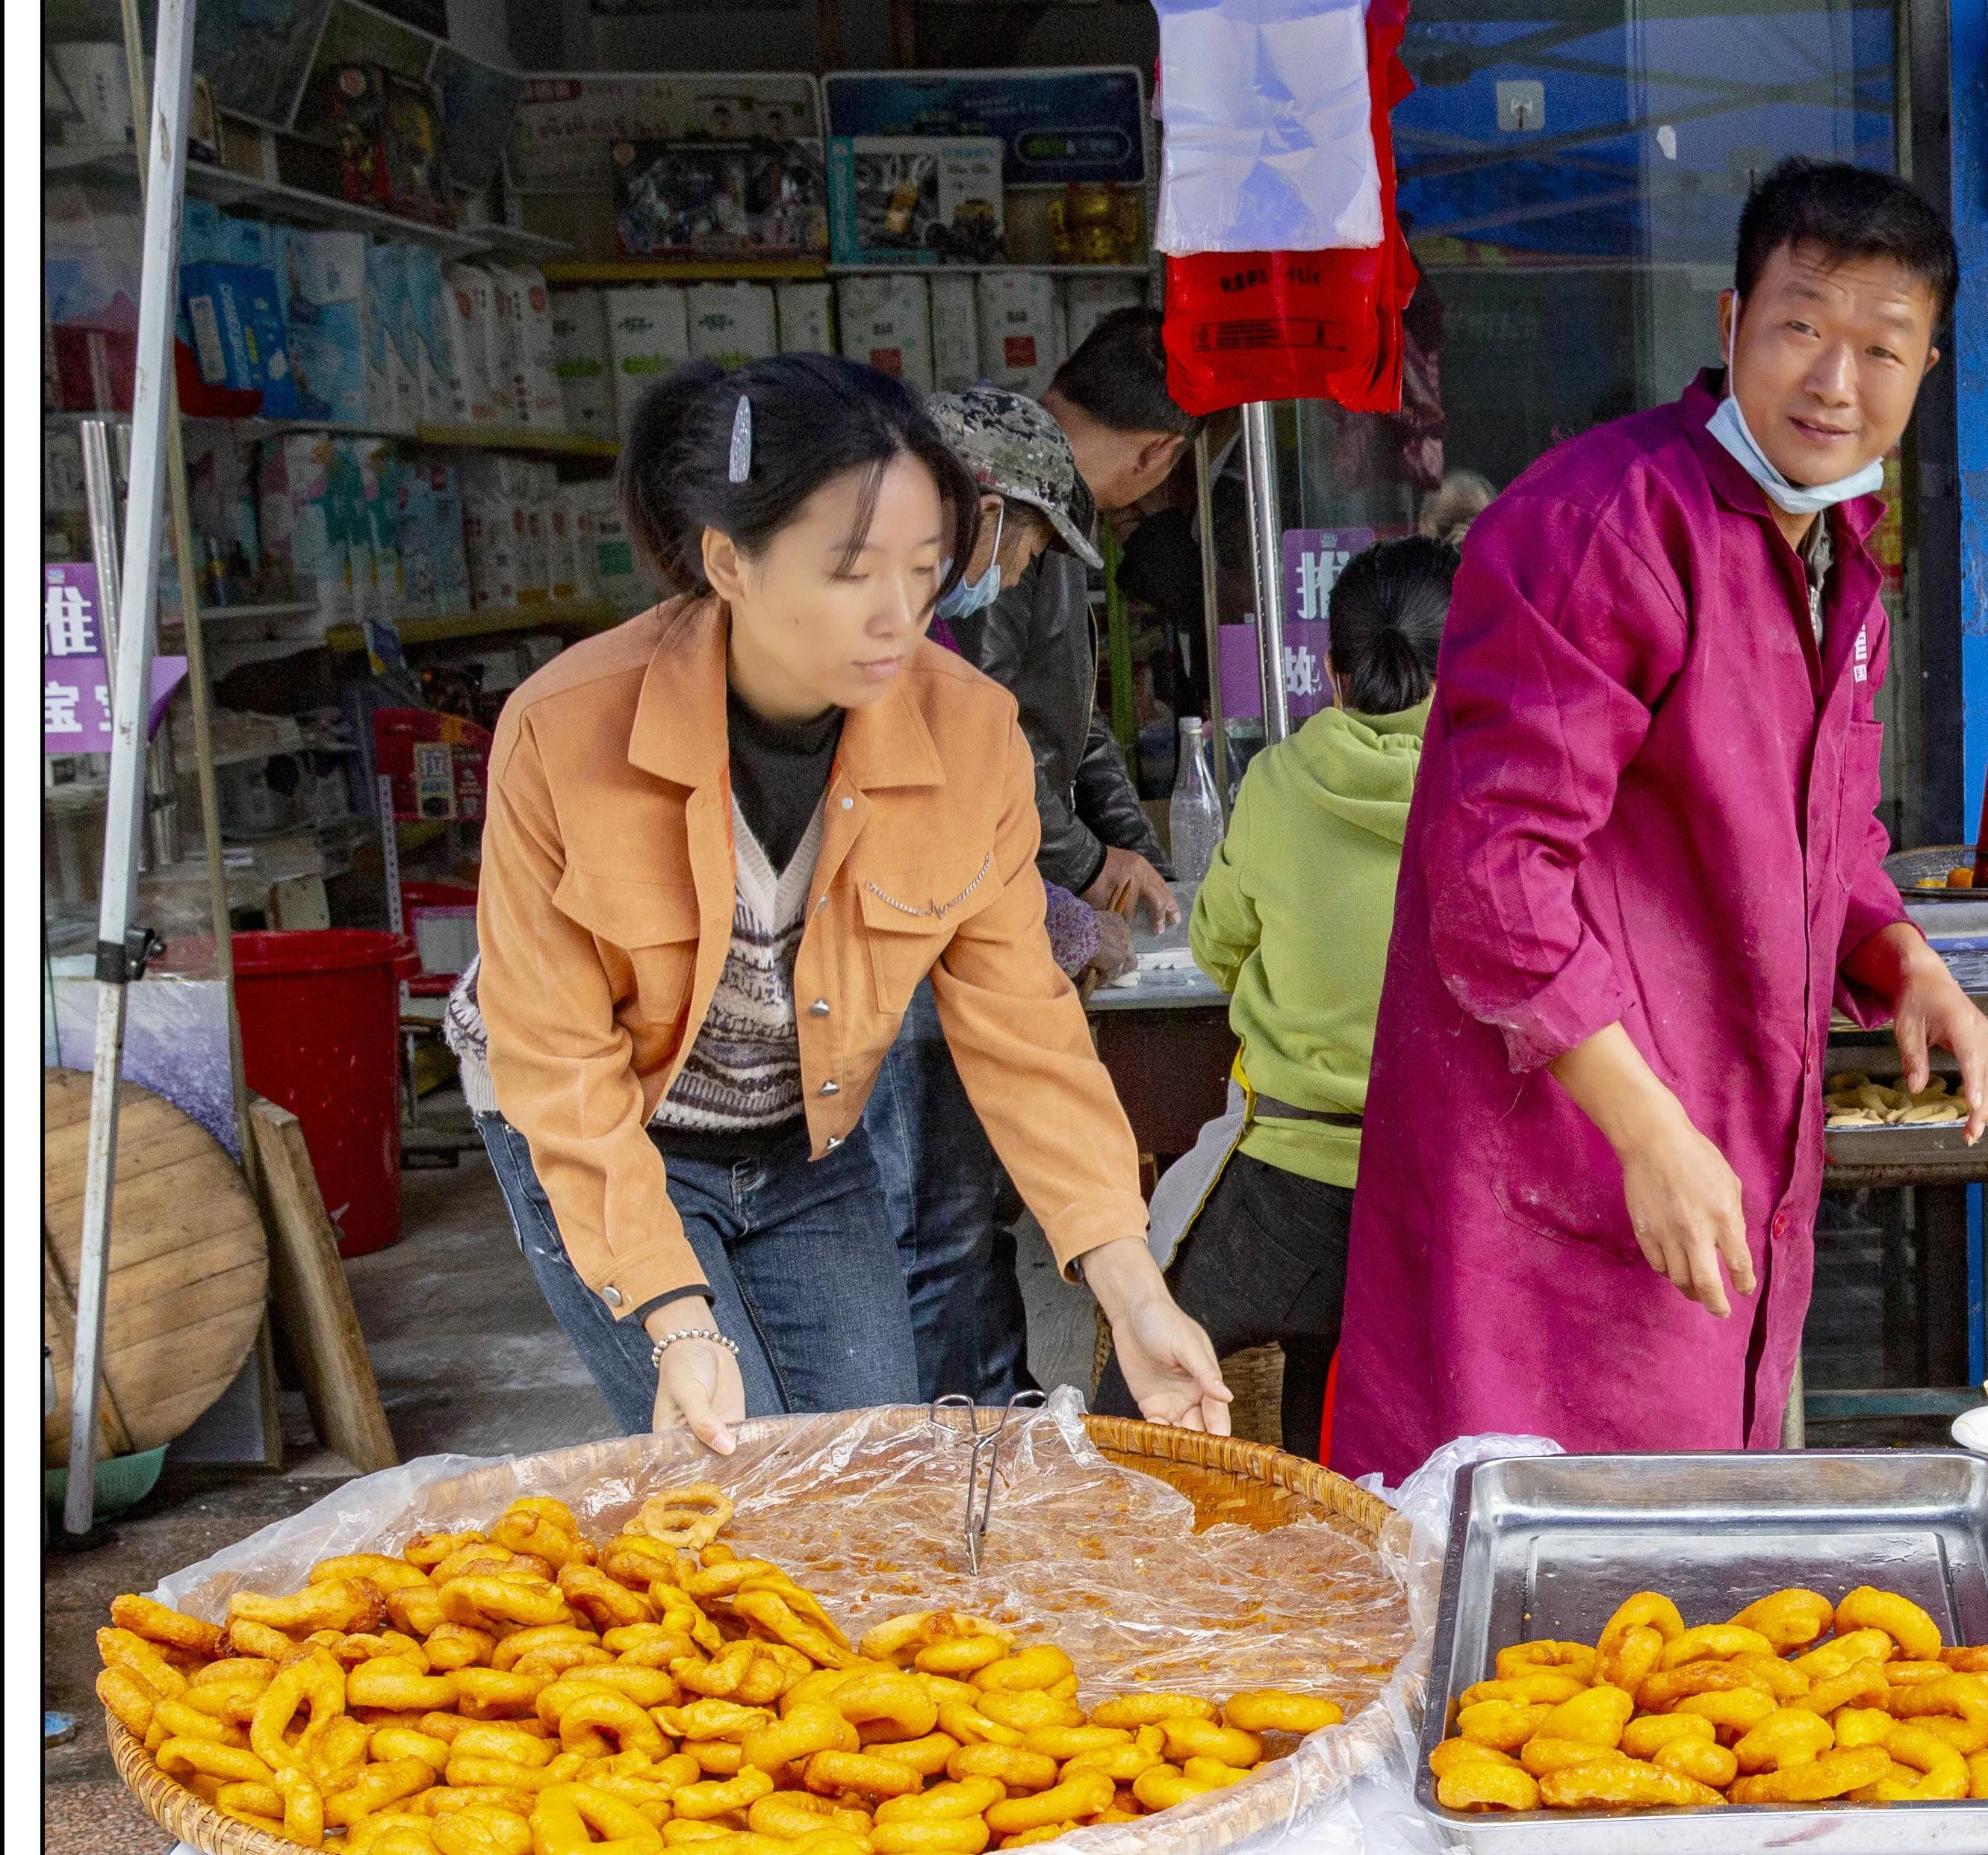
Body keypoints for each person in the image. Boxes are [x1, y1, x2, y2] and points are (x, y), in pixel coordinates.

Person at [1329, 159, 1988, 1481]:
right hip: (1560, 1166)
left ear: (1926, 365)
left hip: (1714, 1140)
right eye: (1802, 327)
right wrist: (1644, 1131)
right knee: (1535, 1570)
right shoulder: (1605, 527)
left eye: (1882, 347)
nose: (1834, 381)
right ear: (1729, 323)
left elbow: (1817, 827)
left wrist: (1902, 958)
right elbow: (1497, 879)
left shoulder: (1829, 543)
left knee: (1683, 1563)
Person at [453, 352, 1231, 1450]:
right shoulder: (562, 730)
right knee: (741, 1475)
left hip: (797, 1129)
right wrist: (676, 1319)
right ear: (728, 560)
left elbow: (1025, 1032)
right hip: (599, 1118)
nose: (897, 614)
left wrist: (1132, 1288)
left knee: (867, 1461)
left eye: (924, 569)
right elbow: (561, 1065)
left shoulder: (968, 732)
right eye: (850, 570)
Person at [1090, 535, 1454, 1458]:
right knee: (1337, 1384)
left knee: (1132, 1387)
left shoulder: (1279, 781)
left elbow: (1213, 943)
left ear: (1331, 675)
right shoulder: (1494, 790)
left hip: (1282, 1184)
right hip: (1435, 1195)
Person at [863, 379, 1157, 1401]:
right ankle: (971, 1436)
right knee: (935, 1228)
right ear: (983, 515)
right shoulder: (884, 651)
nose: (1022, 577)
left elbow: (1060, 736)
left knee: (952, 1218)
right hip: (883, 967)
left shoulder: (933, 650)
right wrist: (1066, 888)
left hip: (938, 942)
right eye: (1027, 553)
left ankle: (986, 1422)